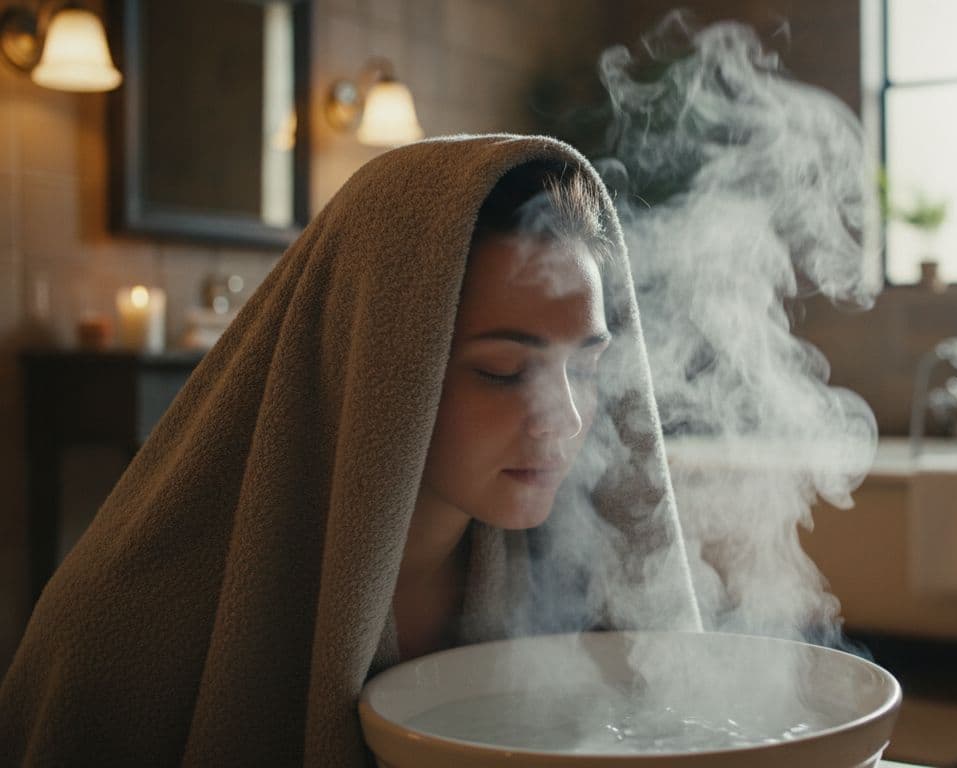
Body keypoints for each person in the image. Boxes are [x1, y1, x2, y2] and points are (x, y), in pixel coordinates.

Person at [0, 135, 701, 766]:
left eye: (585, 368)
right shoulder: (125, 631)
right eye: (502, 371)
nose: (565, 422)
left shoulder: (586, 582)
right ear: (377, 363)